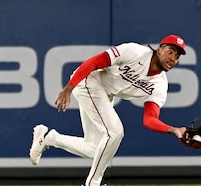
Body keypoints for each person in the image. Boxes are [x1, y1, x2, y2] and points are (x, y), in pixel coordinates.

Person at [29, 34, 188, 186]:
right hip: (87, 81)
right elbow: (94, 62)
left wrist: (173, 130)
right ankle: (93, 183)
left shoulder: (159, 85)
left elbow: (149, 119)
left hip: (104, 94)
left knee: (95, 148)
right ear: (159, 49)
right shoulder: (135, 51)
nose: (172, 58)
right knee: (115, 132)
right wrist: (68, 88)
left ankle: (48, 138)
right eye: (170, 51)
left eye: (177, 56)